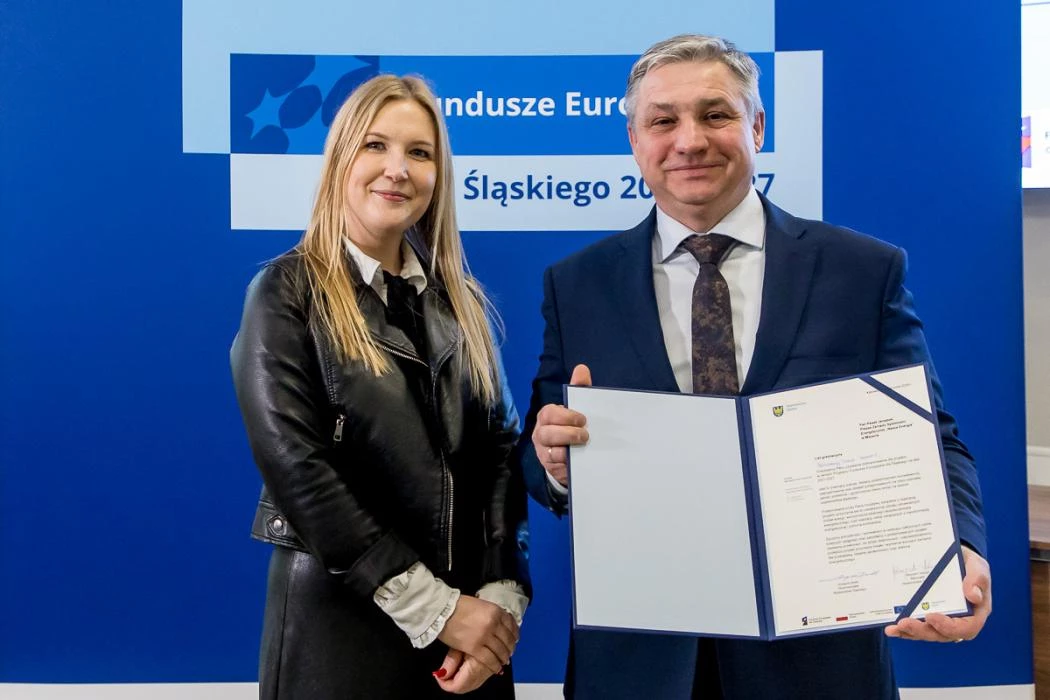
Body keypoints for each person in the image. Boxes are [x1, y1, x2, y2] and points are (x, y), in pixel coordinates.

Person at [516, 34, 991, 699]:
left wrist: (960, 546)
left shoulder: (863, 272)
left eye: (715, 114)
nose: (689, 141)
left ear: (757, 126)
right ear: (635, 141)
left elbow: (931, 436)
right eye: (663, 121)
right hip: (639, 661)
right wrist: (552, 462)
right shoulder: (578, 285)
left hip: (817, 661)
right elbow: (539, 449)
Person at [231, 74, 530, 699]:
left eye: (419, 152)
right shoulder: (285, 294)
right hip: (340, 637)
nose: (398, 169)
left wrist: (500, 596)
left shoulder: (464, 305)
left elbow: (502, 454)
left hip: (469, 644)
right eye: (375, 145)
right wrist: (435, 609)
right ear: (341, 158)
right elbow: (299, 471)